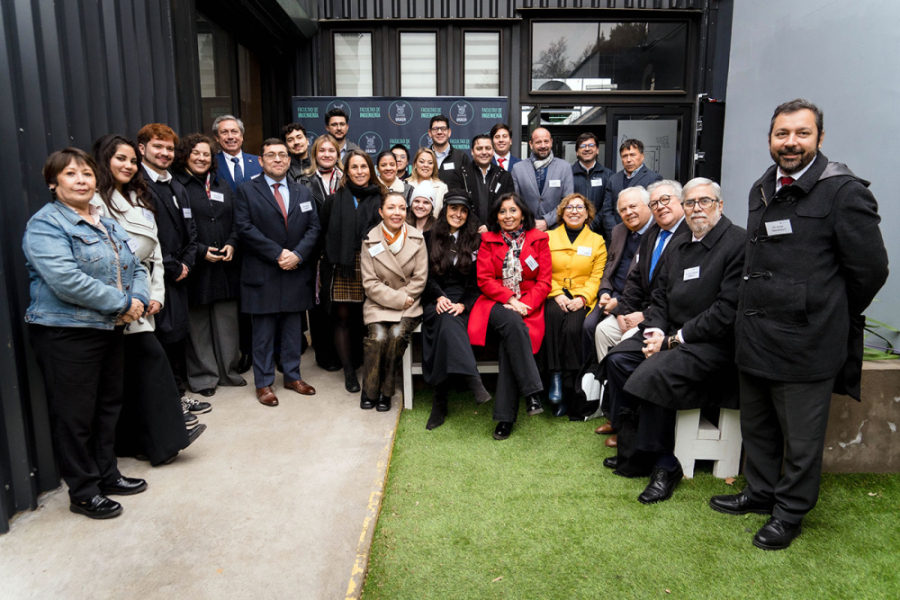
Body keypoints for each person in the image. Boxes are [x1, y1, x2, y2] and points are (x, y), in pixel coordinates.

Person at [711, 99, 889, 551]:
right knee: (760, 428)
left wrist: (823, 311)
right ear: (770, 139)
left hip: (806, 344)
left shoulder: (844, 192)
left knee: (802, 438)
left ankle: (789, 513)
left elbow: (870, 271)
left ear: (819, 138)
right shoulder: (761, 187)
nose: (790, 142)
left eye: (801, 133)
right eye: (781, 134)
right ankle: (761, 492)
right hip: (754, 339)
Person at [24, 148, 150, 519]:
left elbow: (135, 264)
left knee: (108, 407)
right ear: (53, 182)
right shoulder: (46, 225)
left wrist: (138, 298)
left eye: (87, 174)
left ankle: (107, 474)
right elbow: (66, 280)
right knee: (75, 416)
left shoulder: (107, 223)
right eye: (70, 174)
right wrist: (122, 304)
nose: (81, 180)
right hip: (68, 332)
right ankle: (83, 491)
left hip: (109, 328)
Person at [603, 178, 745, 506]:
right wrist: (654, 332)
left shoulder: (736, 243)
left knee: (655, 370)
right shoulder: (680, 244)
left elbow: (726, 310)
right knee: (620, 359)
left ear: (720, 206)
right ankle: (637, 451)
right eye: (691, 202)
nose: (697, 209)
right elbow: (660, 297)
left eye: (704, 202)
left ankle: (666, 465)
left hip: (712, 345)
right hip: (670, 335)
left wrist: (671, 339)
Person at [90, 135, 204, 466]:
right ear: (104, 161)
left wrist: (154, 294)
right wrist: (131, 299)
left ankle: (149, 441)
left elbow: (150, 252)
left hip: (141, 296)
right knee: (148, 367)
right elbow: (108, 260)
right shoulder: (97, 201)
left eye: (130, 160)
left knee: (138, 372)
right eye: (120, 159)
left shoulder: (135, 196)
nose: (127, 165)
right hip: (116, 302)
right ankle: (164, 440)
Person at [593, 182, 687, 442]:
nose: (660, 207)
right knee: (603, 330)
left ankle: (630, 418)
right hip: (635, 310)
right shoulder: (652, 233)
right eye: (623, 209)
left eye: (664, 201)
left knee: (623, 347)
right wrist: (623, 310)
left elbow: (675, 292)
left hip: (661, 319)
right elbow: (634, 279)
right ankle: (614, 410)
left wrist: (643, 316)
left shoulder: (688, 234)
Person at [233, 138, 321, 406]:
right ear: (260, 161)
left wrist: (297, 254)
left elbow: (314, 228)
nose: (278, 159)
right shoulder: (246, 190)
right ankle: (264, 383)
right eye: (271, 155)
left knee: (293, 332)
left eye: (282, 155)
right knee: (263, 334)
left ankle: (292, 376)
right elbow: (244, 228)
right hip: (263, 272)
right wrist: (277, 253)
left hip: (295, 271)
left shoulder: (302, 192)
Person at [137, 123, 212, 421]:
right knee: (161, 342)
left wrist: (188, 263)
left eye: (169, 148)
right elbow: (148, 236)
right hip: (156, 277)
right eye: (158, 147)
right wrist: (172, 266)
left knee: (176, 337)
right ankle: (170, 404)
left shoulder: (176, 185)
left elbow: (191, 232)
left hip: (180, 275)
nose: (165, 153)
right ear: (142, 149)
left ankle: (179, 395)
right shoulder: (139, 185)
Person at [468, 193, 551, 440]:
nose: (508, 216)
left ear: (523, 213)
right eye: (502, 212)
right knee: (512, 323)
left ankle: (505, 418)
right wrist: (510, 299)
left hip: (528, 305)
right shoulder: (488, 240)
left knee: (511, 337)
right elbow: (484, 279)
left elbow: (544, 280)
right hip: (494, 302)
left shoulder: (539, 239)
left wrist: (524, 304)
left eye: (513, 211)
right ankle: (533, 393)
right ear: (496, 216)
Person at [173, 133, 244, 396]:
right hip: (196, 266)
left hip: (225, 265)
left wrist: (233, 243)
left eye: (206, 154)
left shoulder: (221, 184)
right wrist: (201, 251)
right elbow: (177, 229)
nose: (202, 158)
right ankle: (204, 378)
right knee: (198, 324)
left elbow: (237, 221)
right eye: (196, 153)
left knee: (227, 322)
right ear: (185, 155)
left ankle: (229, 372)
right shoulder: (177, 185)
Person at [421, 191, 492, 430]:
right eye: (453, 209)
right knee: (445, 318)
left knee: (448, 322)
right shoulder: (428, 237)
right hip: (434, 298)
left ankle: (439, 401)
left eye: (463, 210)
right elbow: (424, 276)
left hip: (464, 300)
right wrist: (439, 296)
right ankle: (473, 380)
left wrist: (464, 304)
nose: (458, 214)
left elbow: (478, 281)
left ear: (468, 214)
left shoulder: (476, 241)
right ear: (445, 210)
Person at [321, 150, 386, 392]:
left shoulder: (382, 198)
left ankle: (371, 368)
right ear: (346, 171)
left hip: (375, 266)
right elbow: (323, 234)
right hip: (344, 266)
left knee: (370, 320)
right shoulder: (333, 200)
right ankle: (349, 371)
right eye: (354, 167)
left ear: (371, 170)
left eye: (364, 167)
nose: (360, 171)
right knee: (344, 318)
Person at [359, 192, 428, 412]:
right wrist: (398, 299)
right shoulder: (370, 239)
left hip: (410, 302)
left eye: (401, 208)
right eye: (391, 208)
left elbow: (420, 277)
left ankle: (386, 391)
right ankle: (369, 389)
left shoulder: (417, 238)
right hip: (379, 303)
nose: (396, 213)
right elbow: (369, 283)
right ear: (381, 211)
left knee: (397, 335)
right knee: (378, 338)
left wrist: (405, 299)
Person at [539, 193, 607, 416]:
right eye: (569, 207)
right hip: (553, 293)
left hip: (581, 295)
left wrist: (583, 298)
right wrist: (556, 293)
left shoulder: (597, 241)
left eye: (580, 207)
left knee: (573, 328)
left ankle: (569, 388)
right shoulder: (547, 237)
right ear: (561, 212)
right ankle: (555, 377)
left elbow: (597, 277)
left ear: (587, 213)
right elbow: (541, 269)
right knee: (553, 319)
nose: (574, 211)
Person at [299, 134, 343, 371]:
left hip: (342, 251)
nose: (327, 154)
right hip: (315, 252)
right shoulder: (302, 181)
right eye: (322, 151)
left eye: (331, 150)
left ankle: (343, 352)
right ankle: (324, 355)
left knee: (341, 306)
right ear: (314, 154)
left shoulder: (348, 178)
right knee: (318, 306)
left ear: (338, 154)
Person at [510, 127, 574, 232]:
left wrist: (547, 221)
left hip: (556, 229)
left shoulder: (564, 167)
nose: (543, 145)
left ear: (551, 142)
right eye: (538, 142)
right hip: (526, 229)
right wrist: (529, 221)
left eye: (546, 141)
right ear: (531, 144)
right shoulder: (518, 168)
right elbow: (515, 201)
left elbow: (568, 201)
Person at [451, 133, 515, 231]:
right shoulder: (460, 175)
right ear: (472, 151)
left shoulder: (505, 176)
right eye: (479, 148)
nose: (484, 152)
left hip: (497, 233)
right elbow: (458, 206)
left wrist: (489, 226)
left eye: (488, 148)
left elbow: (509, 206)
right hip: (467, 234)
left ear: (493, 151)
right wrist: (478, 226)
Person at [601, 139, 662, 233]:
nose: (628, 160)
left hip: (643, 235)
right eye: (625, 156)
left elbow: (655, 209)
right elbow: (607, 210)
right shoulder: (613, 179)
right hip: (616, 235)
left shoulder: (653, 179)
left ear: (642, 156)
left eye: (632, 155)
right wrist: (615, 232)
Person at [571, 132, 614, 240]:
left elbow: (607, 206)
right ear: (577, 152)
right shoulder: (568, 174)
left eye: (591, 145)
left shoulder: (608, 175)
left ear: (597, 150)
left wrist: (592, 224)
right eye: (582, 146)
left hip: (600, 233)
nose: (587, 149)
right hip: (573, 230)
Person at [213, 115, 262, 193]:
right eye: (224, 132)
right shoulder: (211, 163)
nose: (230, 136)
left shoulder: (259, 162)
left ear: (241, 136)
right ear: (217, 138)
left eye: (234, 131)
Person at [427, 115, 472, 186]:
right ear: (430, 133)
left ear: (449, 132)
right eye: (435, 129)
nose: (439, 132)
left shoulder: (461, 157)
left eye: (443, 128)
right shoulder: (424, 157)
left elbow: (469, 185)